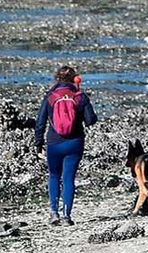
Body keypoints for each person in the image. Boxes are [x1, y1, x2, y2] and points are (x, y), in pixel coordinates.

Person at [34, 65, 98, 226]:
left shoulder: (50, 96)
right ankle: (66, 216)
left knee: (54, 176)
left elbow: (40, 123)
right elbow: (91, 120)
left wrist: (38, 143)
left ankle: (54, 213)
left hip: (54, 142)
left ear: (57, 78)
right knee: (68, 178)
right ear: (74, 78)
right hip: (75, 143)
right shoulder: (79, 96)